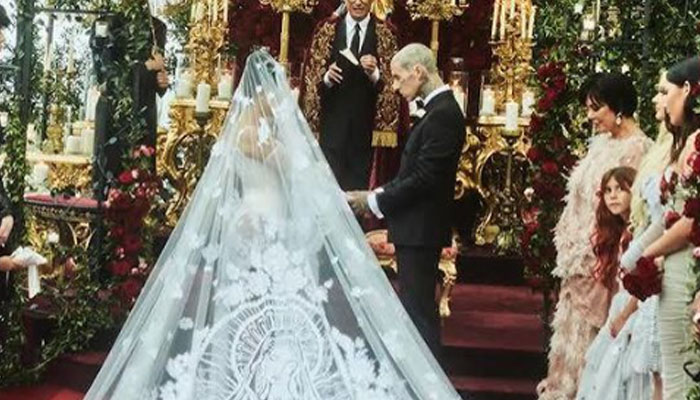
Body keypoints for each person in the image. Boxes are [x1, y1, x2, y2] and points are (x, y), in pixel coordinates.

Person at [84, 49, 462, 400]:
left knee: (269, 304)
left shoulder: (254, 132)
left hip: (269, 223)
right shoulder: (254, 136)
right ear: (263, 94)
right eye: (278, 91)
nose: (284, 99)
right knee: (257, 302)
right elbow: (292, 171)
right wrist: (325, 183)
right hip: (258, 225)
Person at [346, 43, 466, 358]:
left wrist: (372, 202)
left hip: (421, 231)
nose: (396, 87)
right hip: (416, 229)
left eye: (399, 78)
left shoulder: (443, 115)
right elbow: (411, 174)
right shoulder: (436, 112)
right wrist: (373, 196)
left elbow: (424, 179)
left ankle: (427, 380)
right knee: (415, 313)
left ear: (418, 71)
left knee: (419, 316)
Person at [537, 73, 651, 400]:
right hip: (575, 258)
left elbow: (627, 209)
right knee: (568, 335)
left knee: (591, 338)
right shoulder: (601, 144)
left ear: (618, 107)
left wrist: (602, 252)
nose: (590, 116)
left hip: (603, 258)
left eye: (595, 108)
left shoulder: (638, 148)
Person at [620, 56, 700, 399]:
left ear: (688, 90)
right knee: (671, 375)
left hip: (684, 270)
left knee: (678, 380)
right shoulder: (688, 142)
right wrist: (634, 256)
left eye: (667, 92)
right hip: (673, 263)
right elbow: (670, 215)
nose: (662, 102)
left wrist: (646, 255)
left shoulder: (697, 144)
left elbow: (690, 222)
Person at [302, 0, 400, 191]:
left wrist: (375, 74)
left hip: (366, 136)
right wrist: (327, 78)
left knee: (357, 196)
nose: (358, 2)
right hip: (331, 132)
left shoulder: (386, 33)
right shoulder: (326, 30)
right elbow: (310, 83)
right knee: (328, 193)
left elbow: (395, 86)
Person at [575, 166, 638, 399]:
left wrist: (625, 315)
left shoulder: (638, 230)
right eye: (608, 190)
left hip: (634, 306)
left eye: (620, 189)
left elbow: (644, 279)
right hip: (621, 305)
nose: (613, 196)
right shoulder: (621, 232)